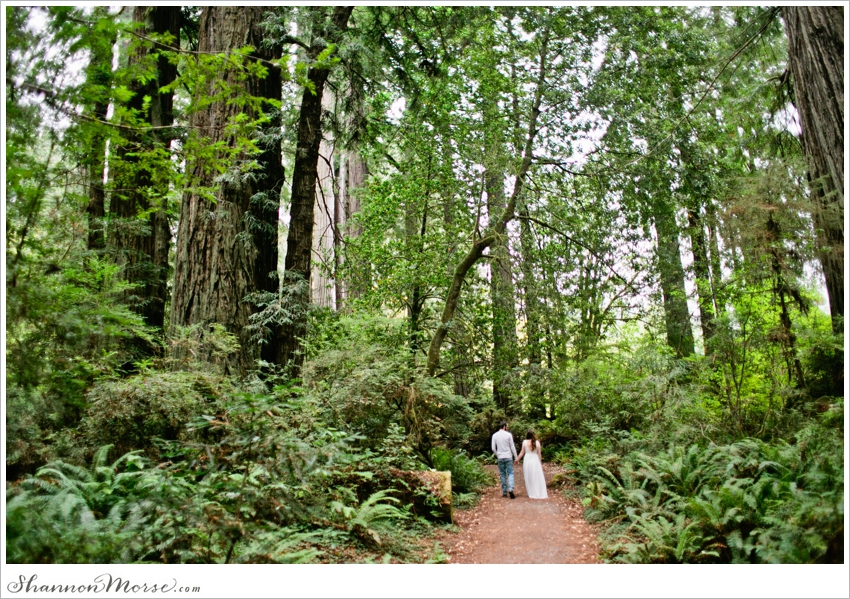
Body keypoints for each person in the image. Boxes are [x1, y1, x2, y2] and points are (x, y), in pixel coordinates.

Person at [515, 429, 548, 499]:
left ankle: (531, 492)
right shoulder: (537, 443)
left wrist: (517, 459)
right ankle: (538, 491)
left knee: (528, 476)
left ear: (527, 435)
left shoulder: (524, 442)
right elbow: (539, 454)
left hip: (527, 459)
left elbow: (522, 452)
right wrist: (540, 463)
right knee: (536, 476)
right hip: (535, 459)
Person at [491, 421, 517, 498]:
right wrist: (516, 457)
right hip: (508, 456)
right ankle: (511, 488)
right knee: (510, 473)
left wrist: (497, 454)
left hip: (500, 457)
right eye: (507, 426)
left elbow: (493, 448)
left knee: (502, 474)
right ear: (504, 426)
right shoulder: (509, 435)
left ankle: (504, 492)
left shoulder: (495, 435)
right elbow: (512, 447)